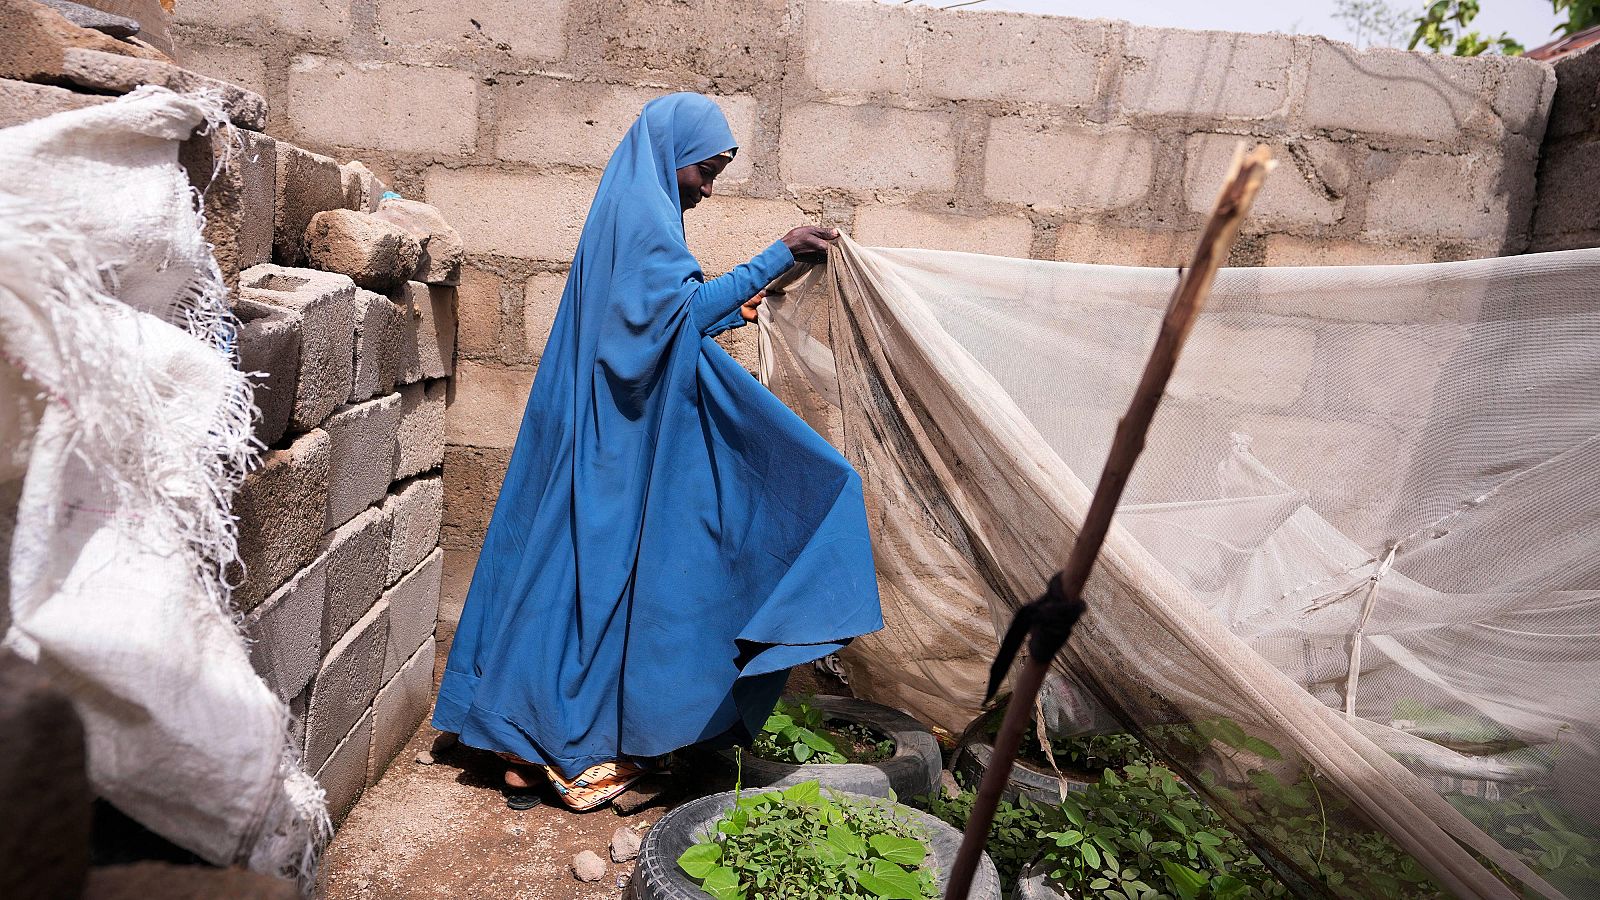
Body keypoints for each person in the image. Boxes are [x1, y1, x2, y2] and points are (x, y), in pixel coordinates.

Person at [431, 92, 884, 812]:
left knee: (559, 576)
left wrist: (717, 308)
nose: (709, 186)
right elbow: (676, 315)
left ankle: (517, 745)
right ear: (672, 157)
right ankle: (544, 747)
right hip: (616, 438)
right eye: (706, 170)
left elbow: (648, 326)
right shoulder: (647, 224)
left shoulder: (630, 212)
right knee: (590, 585)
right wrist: (780, 252)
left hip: (599, 422)